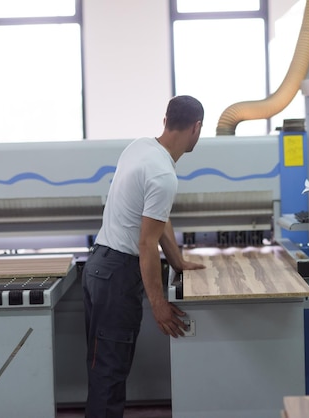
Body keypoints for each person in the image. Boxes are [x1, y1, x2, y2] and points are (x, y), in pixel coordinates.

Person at [82, 95, 206, 417]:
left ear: (165, 121)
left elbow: (155, 216)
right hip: (117, 276)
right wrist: (159, 306)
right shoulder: (164, 176)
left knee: (103, 368)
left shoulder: (139, 147)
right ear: (197, 128)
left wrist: (177, 262)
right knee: (109, 374)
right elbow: (146, 244)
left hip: (99, 266)